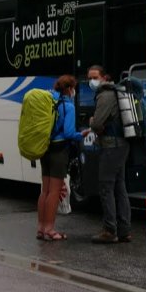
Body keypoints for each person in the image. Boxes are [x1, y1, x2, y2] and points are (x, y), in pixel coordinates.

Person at [37, 75, 86, 241]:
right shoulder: (68, 106)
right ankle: (50, 229)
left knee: (45, 191)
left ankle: (41, 228)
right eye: (74, 89)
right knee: (55, 191)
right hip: (59, 151)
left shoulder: (50, 101)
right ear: (70, 89)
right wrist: (82, 134)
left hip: (45, 148)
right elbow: (68, 133)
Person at [87, 65, 132, 244]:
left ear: (105, 77)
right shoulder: (115, 92)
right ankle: (124, 230)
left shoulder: (105, 95)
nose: (92, 81)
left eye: (95, 77)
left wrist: (92, 122)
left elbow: (97, 124)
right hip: (121, 145)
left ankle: (109, 229)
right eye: (89, 77)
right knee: (120, 187)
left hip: (111, 146)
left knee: (106, 187)